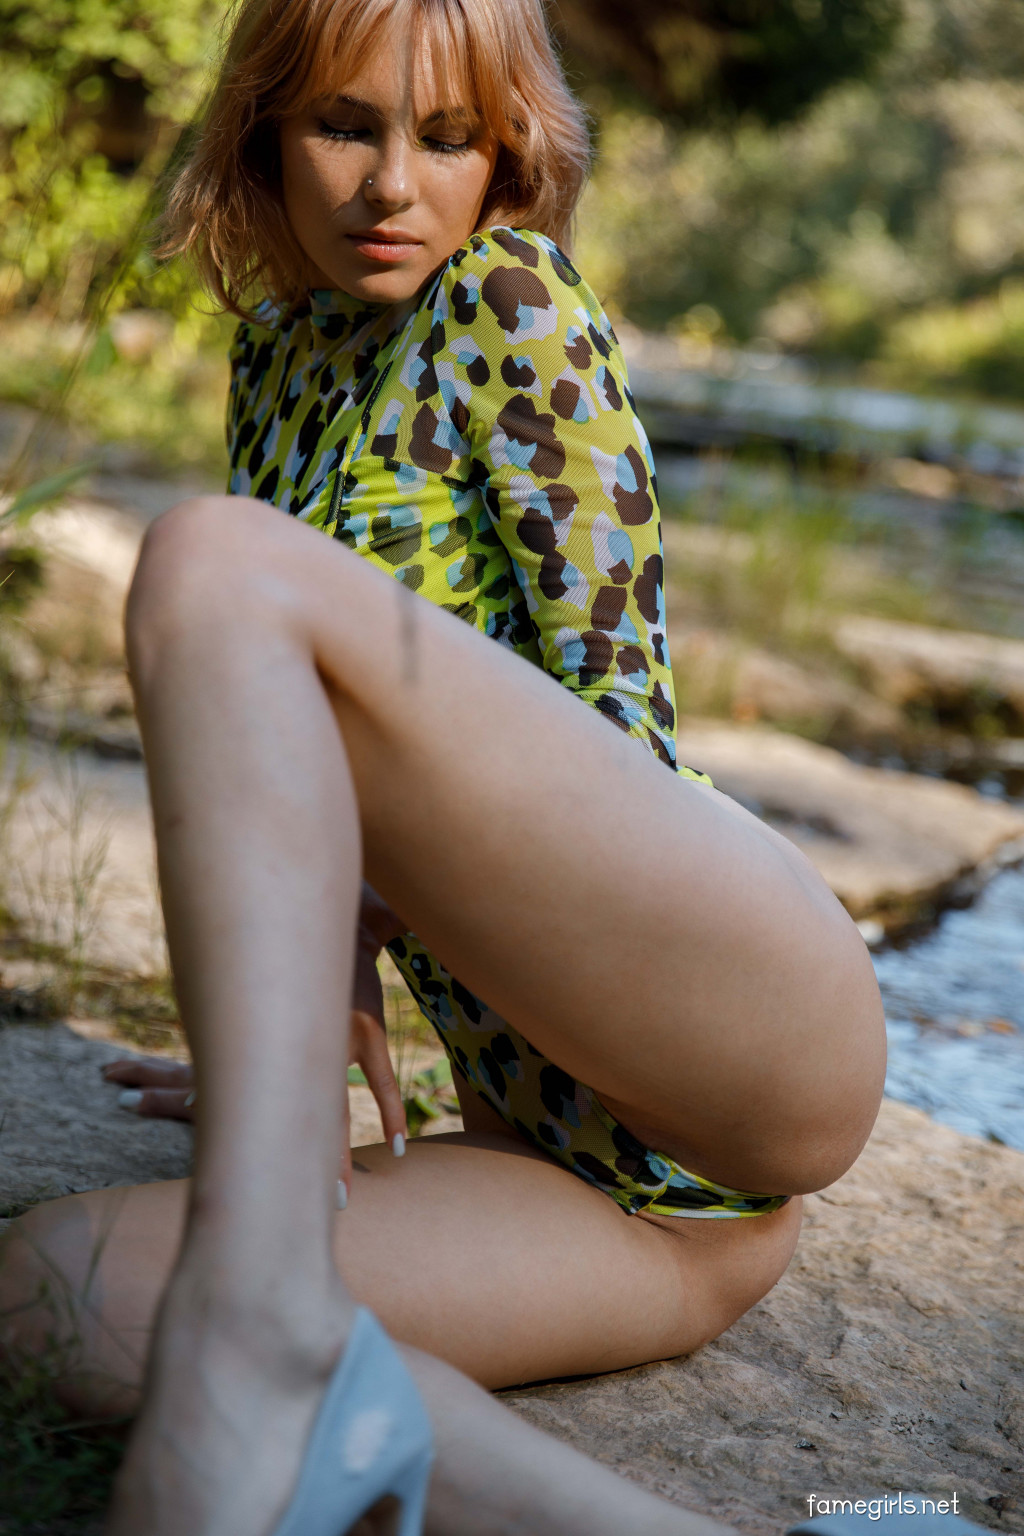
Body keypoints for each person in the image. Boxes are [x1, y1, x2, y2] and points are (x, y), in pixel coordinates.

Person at [0, 0, 888, 1531]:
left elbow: (616, 737)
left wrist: (348, 936)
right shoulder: (279, 356)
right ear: (265, 135)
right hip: (641, 1218)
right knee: (49, 1297)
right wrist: (289, 1003)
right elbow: (309, 740)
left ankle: (254, 1331)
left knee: (211, 558)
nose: (391, 184)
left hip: (736, 1020)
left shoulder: (508, 299)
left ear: (506, 157)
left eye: (447, 137)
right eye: (344, 126)